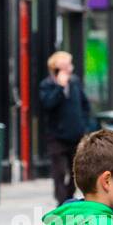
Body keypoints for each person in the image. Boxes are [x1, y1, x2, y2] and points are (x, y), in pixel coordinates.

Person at [39, 50, 93, 205]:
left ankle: (68, 197)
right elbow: (47, 104)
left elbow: (85, 105)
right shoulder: (47, 84)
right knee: (59, 171)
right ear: (58, 67)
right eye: (67, 64)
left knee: (76, 171)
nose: (71, 67)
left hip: (76, 134)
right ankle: (61, 202)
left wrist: (85, 126)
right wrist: (59, 88)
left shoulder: (75, 82)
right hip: (56, 136)